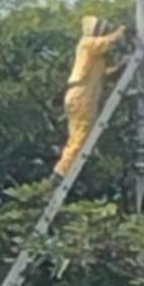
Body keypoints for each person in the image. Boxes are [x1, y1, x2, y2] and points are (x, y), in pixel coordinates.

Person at [55, 16, 127, 177]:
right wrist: (121, 32)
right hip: (82, 95)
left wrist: (120, 67)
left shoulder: (94, 57)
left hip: (80, 94)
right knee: (82, 133)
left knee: (76, 135)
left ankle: (63, 168)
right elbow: (106, 42)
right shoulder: (87, 44)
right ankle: (63, 171)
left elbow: (102, 75)